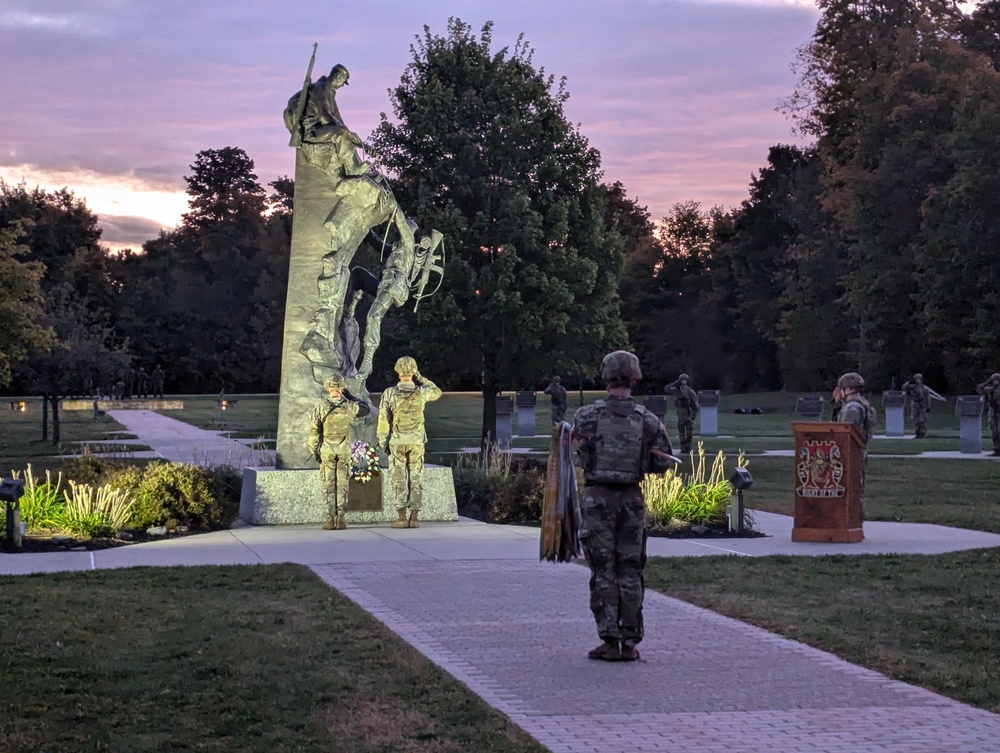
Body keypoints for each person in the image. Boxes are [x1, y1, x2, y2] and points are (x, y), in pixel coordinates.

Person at [573, 350, 675, 662]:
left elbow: (576, 456)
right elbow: (664, 462)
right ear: (634, 378)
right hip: (632, 500)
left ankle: (609, 639)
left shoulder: (587, 416)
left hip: (598, 498)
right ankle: (630, 641)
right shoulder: (648, 420)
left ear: (606, 377)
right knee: (630, 570)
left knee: (603, 571)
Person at [356, 226, 443, 379]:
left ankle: (368, 359)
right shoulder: (394, 248)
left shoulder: (411, 247)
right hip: (383, 285)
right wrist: (363, 225)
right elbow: (376, 241)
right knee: (358, 273)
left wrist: (423, 248)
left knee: (373, 315)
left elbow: (418, 256)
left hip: (395, 286)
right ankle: (348, 309)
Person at [377, 357, 443, 528]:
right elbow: (437, 391)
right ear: (413, 371)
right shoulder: (421, 392)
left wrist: (383, 442)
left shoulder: (389, 393)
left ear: (397, 371)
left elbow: (384, 422)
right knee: (416, 477)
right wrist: (420, 378)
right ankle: (414, 517)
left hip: (397, 441)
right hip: (416, 441)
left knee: (399, 478)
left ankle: (401, 517)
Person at [284, 63, 370, 177]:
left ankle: (356, 167)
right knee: (341, 134)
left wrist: (361, 144)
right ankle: (352, 169)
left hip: (322, 129)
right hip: (313, 131)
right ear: (338, 77)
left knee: (345, 133)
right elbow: (324, 117)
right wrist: (347, 134)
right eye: (343, 82)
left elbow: (339, 120)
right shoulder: (321, 88)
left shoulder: (329, 92)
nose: (342, 85)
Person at [308, 373, 368, 530]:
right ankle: (341, 518)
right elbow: (365, 408)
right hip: (343, 450)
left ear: (327, 388)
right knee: (343, 484)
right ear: (342, 388)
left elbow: (314, 431)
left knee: (328, 484)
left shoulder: (320, 407)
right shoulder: (348, 406)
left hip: (327, 450)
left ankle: (329, 519)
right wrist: (349, 395)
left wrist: (314, 449)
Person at [833, 372, 876, 517]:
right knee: (857, 486)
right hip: (858, 452)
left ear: (848, 389)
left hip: (850, 454)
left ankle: (852, 518)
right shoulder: (863, 404)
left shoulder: (852, 408)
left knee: (851, 487)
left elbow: (846, 431)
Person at [664, 373, 699, 453]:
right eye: (681, 380)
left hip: (688, 413)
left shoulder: (690, 391)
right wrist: (675, 383)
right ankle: (683, 447)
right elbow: (666, 388)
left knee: (689, 432)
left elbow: (695, 404)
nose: (683, 381)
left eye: (684, 380)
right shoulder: (677, 390)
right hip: (680, 413)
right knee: (681, 433)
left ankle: (688, 446)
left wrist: (694, 414)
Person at [901, 373, 932, 438]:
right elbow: (903, 387)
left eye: (919, 379)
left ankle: (923, 433)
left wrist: (928, 406)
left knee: (923, 420)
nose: (918, 380)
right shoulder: (912, 387)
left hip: (922, 405)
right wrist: (909, 382)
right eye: (916, 379)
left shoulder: (925, 388)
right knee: (916, 420)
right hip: (915, 405)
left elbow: (928, 397)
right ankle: (917, 432)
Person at [976, 373, 1000, 456]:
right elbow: (979, 387)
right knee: (994, 430)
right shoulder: (990, 389)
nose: (995, 381)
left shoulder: (997, 390)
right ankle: (997, 449)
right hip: (993, 411)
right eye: (994, 380)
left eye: (997, 380)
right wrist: (987, 382)